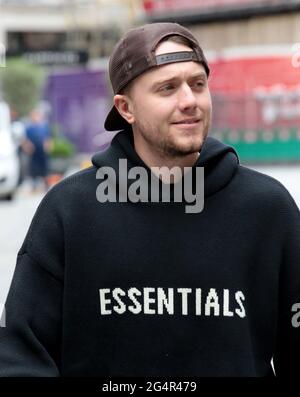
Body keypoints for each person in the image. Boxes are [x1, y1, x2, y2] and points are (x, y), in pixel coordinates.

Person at [0, 22, 299, 377]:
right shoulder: (70, 210)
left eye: (197, 84)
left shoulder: (267, 209)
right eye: (167, 88)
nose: (189, 101)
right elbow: (20, 354)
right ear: (126, 109)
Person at [22, 108, 51, 192]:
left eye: (37, 115)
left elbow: (48, 138)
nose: (35, 117)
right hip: (33, 152)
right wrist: (27, 146)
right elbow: (25, 140)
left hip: (42, 152)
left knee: (44, 169)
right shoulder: (28, 128)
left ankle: (46, 185)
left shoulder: (44, 127)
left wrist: (48, 146)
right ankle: (34, 186)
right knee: (33, 169)